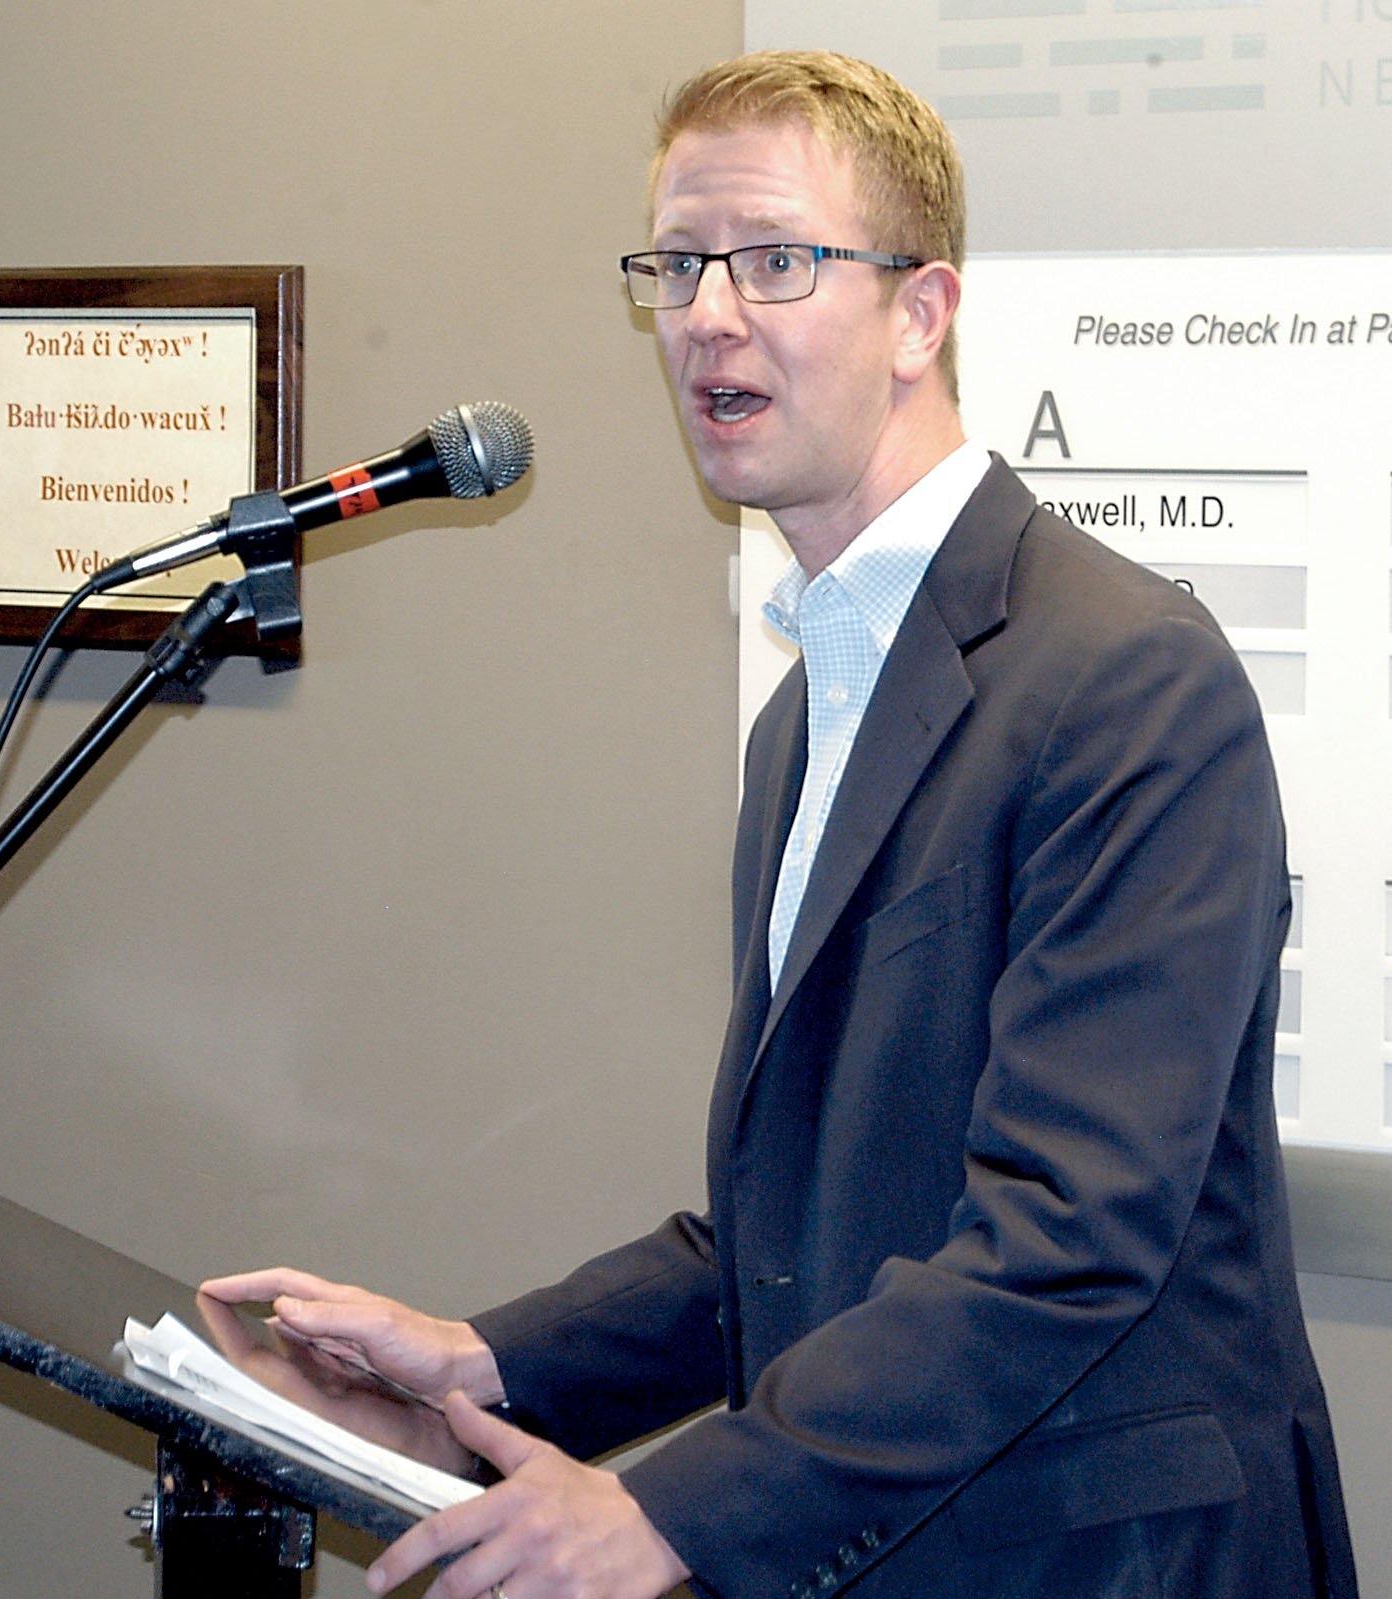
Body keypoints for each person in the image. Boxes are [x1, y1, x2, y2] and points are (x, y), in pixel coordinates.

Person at [204, 50, 1359, 1599]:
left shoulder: (1126, 680)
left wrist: (669, 1514)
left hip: (1109, 1562)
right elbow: (803, 1229)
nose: (707, 315)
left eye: (776, 261)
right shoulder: (808, 706)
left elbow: (1067, 1236)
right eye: (677, 266)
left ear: (923, 313)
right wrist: (479, 1361)